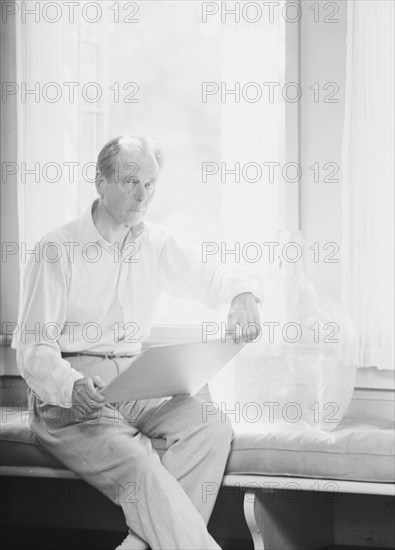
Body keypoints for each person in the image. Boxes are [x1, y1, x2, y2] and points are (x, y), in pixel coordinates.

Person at [15, 135, 262, 550]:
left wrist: (241, 295)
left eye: (150, 184)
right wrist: (71, 385)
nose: (143, 195)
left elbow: (207, 274)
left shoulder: (155, 242)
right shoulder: (57, 249)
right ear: (100, 181)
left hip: (134, 382)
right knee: (140, 464)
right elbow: (33, 350)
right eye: (131, 182)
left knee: (211, 425)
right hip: (68, 396)